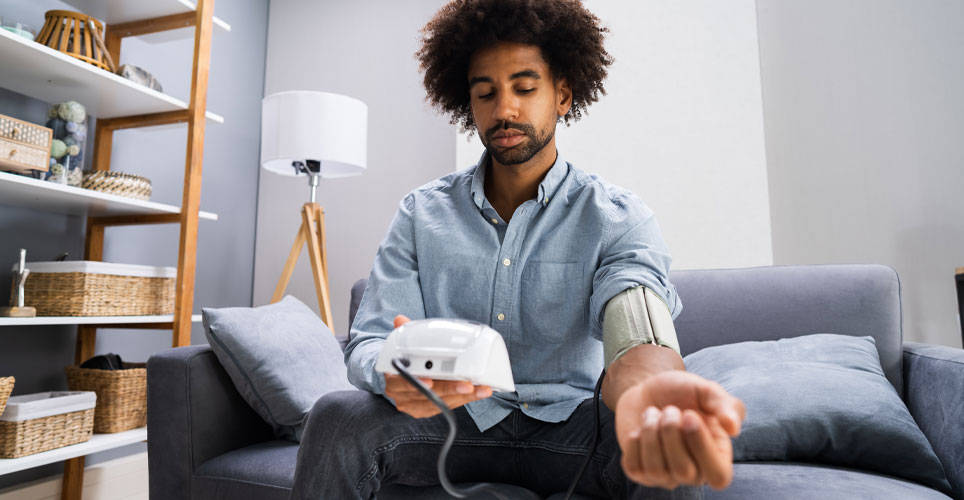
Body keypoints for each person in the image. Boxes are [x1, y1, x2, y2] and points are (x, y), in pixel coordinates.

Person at [289, 1, 745, 498]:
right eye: (486, 93)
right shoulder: (421, 215)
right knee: (336, 416)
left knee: (662, 449)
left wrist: (652, 393)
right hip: (452, 421)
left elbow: (636, 327)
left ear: (563, 95)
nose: (504, 109)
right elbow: (372, 341)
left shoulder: (616, 216)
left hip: (574, 428)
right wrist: (391, 373)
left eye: (525, 89)